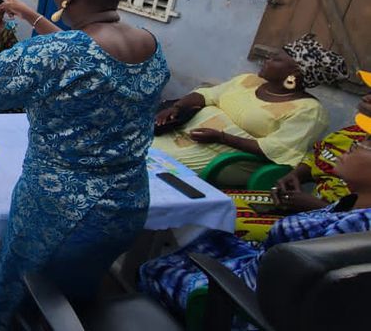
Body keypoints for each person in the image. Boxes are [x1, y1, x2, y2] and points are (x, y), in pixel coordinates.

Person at [0, 0, 170, 328]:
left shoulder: (62, 53)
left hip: (61, 214)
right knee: (74, 292)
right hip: (127, 204)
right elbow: (83, 49)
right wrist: (31, 14)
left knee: (17, 293)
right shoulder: (151, 45)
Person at [138, 132, 371, 318]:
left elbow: (298, 290)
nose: (354, 144)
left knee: (153, 268)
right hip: (258, 262)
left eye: (367, 144)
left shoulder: (353, 228)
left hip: (250, 298)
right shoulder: (352, 203)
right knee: (198, 230)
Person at [152, 33, 344, 177]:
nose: (266, 60)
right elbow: (207, 95)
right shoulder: (248, 80)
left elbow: (276, 149)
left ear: (294, 75)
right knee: (133, 150)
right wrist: (177, 107)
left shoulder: (309, 110)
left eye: (275, 59)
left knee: (151, 168)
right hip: (180, 136)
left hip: (226, 158)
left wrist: (221, 137)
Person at [226, 125, 367, 241]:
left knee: (222, 220)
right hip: (309, 208)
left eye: (357, 147)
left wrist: (317, 207)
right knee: (218, 201)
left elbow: (349, 230)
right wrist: (295, 176)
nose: (366, 97)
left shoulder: (358, 223)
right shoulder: (353, 131)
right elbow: (317, 158)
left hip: (320, 223)